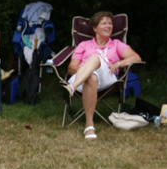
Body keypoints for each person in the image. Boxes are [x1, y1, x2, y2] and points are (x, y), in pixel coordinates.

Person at [60, 11, 142, 140]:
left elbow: (136, 58)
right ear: (95, 28)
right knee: (92, 76)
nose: (108, 26)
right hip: (82, 79)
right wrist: (87, 71)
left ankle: (71, 87)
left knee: (95, 58)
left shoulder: (116, 44)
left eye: (110, 23)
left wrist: (119, 63)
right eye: (104, 23)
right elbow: (71, 68)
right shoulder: (84, 45)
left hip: (107, 78)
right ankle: (89, 125)